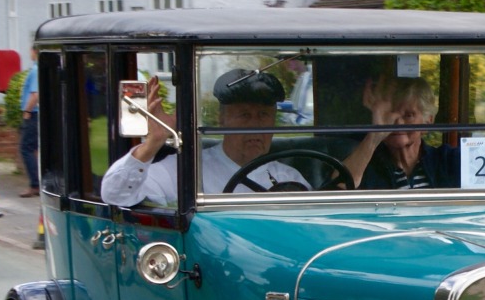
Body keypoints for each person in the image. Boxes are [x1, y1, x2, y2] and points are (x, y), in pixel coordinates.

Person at [101, 69, 309, 207]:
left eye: (264, 115)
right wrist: (152, 144)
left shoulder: (288, 176)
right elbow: (115, 195)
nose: (256, 126)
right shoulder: (183, 170)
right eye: (245, 115)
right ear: (222, 120)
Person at [342, 74, 459, 190]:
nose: (398, 123)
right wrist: (375, 134)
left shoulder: (447, 160)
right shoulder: (366, 163)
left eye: (408, 115)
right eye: (389, 114)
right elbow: (338, 187)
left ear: (427, 121)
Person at [19, 47, 40, 198]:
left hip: (33, 114)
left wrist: (27, 111)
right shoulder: (38, 69)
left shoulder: (35, 70)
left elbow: (35, 94)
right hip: (34, 114)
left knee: (26, 148)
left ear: (34, 51)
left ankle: (35, 184)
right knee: (34, 149)